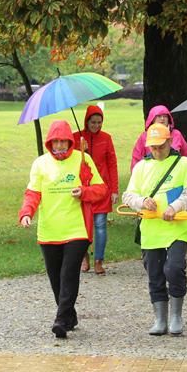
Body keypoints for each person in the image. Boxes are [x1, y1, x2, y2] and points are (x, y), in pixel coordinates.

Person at [18, 120, 108, 338]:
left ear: (70, 141)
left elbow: (101, 189)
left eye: (63, 142)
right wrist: (27, 213)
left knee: (69, 273)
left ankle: (60, 319)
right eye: (55, 142)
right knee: (55, 278)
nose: (59, 146)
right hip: (49, 230)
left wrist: (84, 191)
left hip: (77, 229)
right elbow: (33, 193)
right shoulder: (40, 164)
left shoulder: (83, 159)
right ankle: (69, 315)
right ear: (49, 142)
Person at [123, 123, 187, 336]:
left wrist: (175, 207)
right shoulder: (141, 167)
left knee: (174, 268)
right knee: (154, 273)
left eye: (161, 146)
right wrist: (142, 201)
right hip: (151, 229)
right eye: (153, 147)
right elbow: (128, 195)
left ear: (170, 142)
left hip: (177, 228)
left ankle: (176, 315)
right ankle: (160, 319)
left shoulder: (184, 164)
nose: (157, 151)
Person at [73, 105, 119, 275]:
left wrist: (114, 190)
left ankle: (99, 260)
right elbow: (70, 162)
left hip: (102, 189)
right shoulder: (76, 137)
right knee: (83, 226)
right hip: (83, 189)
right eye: (93, 122)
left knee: (100, 225)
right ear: (86, 121)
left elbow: (112, 164)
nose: (96, 125)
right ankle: (83, 256)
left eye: (99, 122)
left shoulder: (106, 138)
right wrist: (80, 151)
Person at [130, 105, 187, 171]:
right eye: (159, 116)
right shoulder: (144, 136)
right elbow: (136, 159)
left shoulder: (176, 134)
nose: (162, 118)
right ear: (152, 119)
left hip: (175, 173)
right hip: (151, 173)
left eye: (165, 116)